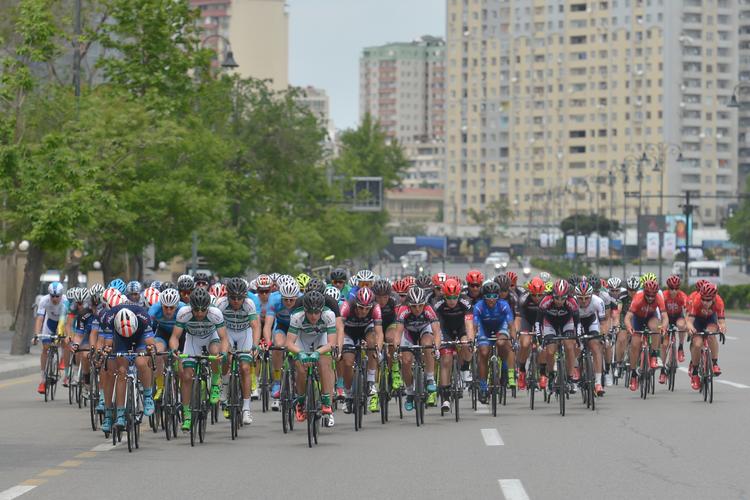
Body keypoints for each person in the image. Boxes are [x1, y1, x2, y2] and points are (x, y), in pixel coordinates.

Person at [169, 288, 229, 431]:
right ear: (191, 307)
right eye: (196, 310)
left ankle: (215, 382)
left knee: (215, 352)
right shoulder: (184, 313)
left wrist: (224, 352)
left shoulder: (216, 314)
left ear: (208, 307)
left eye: (203, 310)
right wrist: (174, 350)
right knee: (186, 377)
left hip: (211, 337)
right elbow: (175, 337)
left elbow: (224, 338)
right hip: (193, 340)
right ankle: (187, 415)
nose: (200, 313)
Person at [285, 291, 336, 426]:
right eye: (310, 312)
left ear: (321, 310)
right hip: (303, 339)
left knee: (325, 362)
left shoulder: (329, 315)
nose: (313, 316)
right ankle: (301, 401)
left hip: (321, 338)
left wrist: (318, 353)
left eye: (316, 312)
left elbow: (332, 344)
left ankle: (326, 401)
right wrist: (300, 353)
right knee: (301, 368)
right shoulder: (297, 316)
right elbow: (289, 343)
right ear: (305, 310)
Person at [216, 277, 261, 424]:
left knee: (245, 368)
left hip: (244, 333)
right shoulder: (220, 304)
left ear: (244, 296)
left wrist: (255, 346)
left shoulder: (249, 304)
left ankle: (246, 410)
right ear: (227, 296)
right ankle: (224, 384)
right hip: (227, 332)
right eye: (233, 297)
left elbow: (255, 326)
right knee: (226, 358)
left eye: (239, 298)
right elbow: (216, 327)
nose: (236, 301)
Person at [393, 287, 442, 411]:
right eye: (414, 306)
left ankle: (430, 378)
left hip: (424, 331)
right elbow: (398, 333)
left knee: (428, 344)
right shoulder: (403, 310)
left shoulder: (428, 309)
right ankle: (409, 392)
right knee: (406, 361)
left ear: (424, 304)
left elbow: (436, 331)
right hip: (409, 333)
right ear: (409, 304)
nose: (417, 309)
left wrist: (436, 348)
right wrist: (396, 349)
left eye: (420, 305)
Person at [433, 278, 474, 411]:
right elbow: (437, 327)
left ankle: (465, 369)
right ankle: (445, 397)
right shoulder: (437, 303)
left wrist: (471, 340)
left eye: (455, 297)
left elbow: (469, 324)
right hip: (445, 329)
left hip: (461, 327)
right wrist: (438, 346)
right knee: (446, 360)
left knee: (466, 343)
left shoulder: (465, 301)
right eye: (449, 297)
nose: (452, 300)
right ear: (444, 295)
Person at [474, 281, 515, 402]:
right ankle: (483, 386)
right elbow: (475, 325)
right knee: (484, 352)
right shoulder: (479, 306)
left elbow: (511, 325)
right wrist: (473, 339)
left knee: (502, 343)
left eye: (494, 296)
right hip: (484, 330)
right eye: (488, 296)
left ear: (498, 296)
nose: (491, 300)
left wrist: (514, 339)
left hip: (500, 328)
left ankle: (504, 368)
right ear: (484, 297)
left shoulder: (503, 305)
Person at [624, 280, 668, 392]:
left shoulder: (658, 298)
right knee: (635, 345)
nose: (650, 298)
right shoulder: (638, 298)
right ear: (644, 292)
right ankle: (633, 374)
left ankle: (653, 354)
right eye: (648, 295)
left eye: (653, 296)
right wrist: (629, 327)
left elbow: (665, 317)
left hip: (651, 317)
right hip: (637, 319)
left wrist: (663, 326)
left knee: (656, 328)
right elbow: (628, 317)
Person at [686, 282, 726, 390]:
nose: (705, 302)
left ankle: (714, 363)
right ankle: (695, 372)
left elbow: (721, 321)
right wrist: (690, 328)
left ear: (714, 298)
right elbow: (689, 321)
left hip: (710, 320)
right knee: (697, 344)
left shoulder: (719, 302)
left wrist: (722, 328)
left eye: (708, 300)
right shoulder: (696, 300)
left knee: (711, 335)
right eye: (703, 299)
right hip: (697, 320)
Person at [32, 282, 67, 395]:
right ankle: (42, 379)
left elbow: (62, 322)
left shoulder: (65, 301)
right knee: (45, 348)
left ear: (61, 295)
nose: (55, 298)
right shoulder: (43, 300)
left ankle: (63, 360)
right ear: (49, 295)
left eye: (57, 296)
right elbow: (40, 319)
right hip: (49, 323)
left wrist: (60, 334)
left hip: (62, 322)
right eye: (52, 296)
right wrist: (36, 335)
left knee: (64, 340)